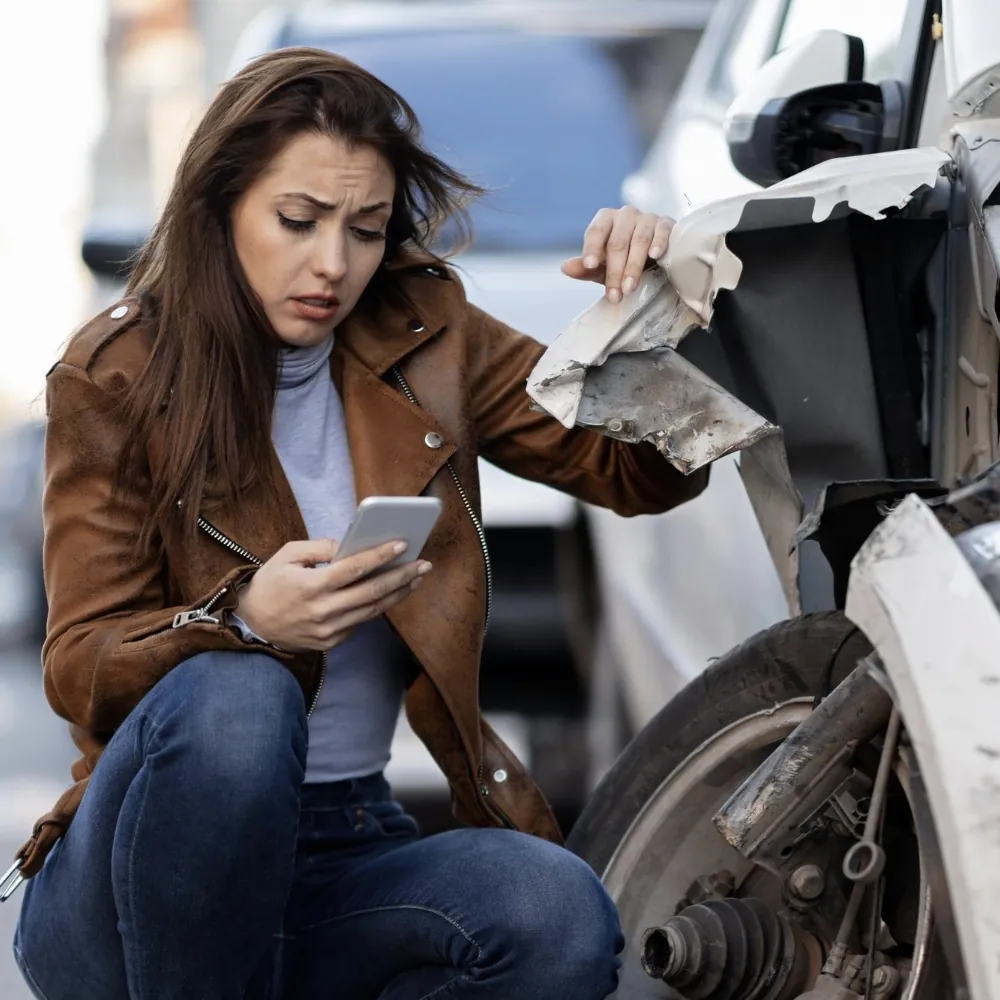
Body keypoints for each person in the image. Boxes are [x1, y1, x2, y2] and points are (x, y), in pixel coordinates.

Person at [12, 48, 707, 1000]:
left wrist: (653, 312)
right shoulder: (118, 372)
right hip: (134, 879)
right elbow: (78, 663)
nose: (333, 264)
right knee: (241, 697)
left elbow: (636, 473)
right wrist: (245, 619)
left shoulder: (426, 333)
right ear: (220, 210)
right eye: (298, 221)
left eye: (367, 230)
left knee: (553, 911)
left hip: (345, 846)